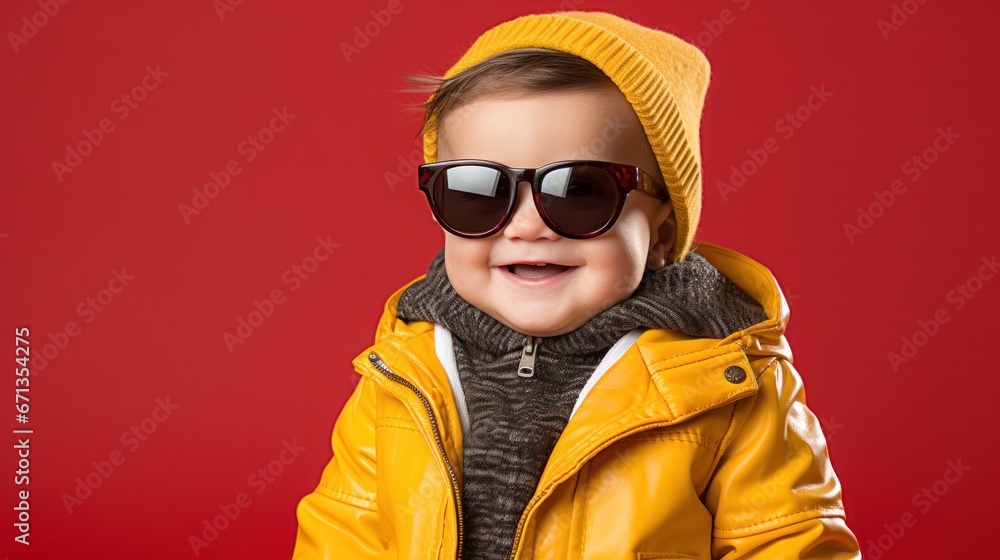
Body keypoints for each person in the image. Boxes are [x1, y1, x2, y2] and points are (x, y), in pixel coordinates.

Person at [293, 10, 861, 559]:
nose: (526, 226)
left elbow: (789, 544)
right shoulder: (401, 372)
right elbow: (344, 535)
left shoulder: (729, 386)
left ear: (661, 232)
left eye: (579, 191)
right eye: (478, 191)